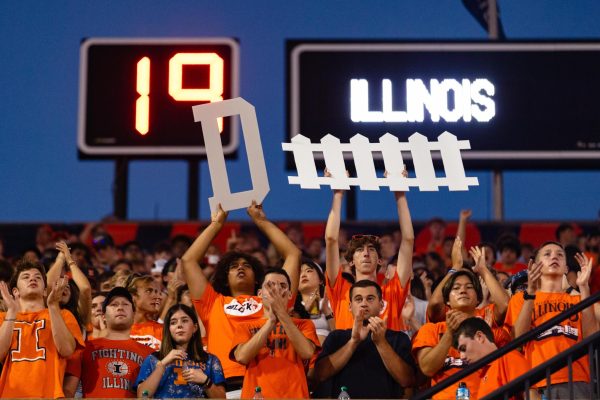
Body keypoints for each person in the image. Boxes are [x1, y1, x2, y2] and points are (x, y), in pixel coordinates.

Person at [182, 201, 301, 397]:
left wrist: (261, 221)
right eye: (234, 266)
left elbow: (293, 255)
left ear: (257, 279)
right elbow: (189, 261)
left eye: (247, 265)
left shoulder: (273, 298)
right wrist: (216, 225)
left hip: (267, 383)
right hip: (224, 386)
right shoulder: (213, 303)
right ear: (225, 279)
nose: (240, 268)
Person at [504, 241, 597, 399]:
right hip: (537, 381)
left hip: (577, 378)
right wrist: (531, 293)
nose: (554, 256)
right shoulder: (521, 298)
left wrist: (584, 288)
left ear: (566, 268)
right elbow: (518, 340)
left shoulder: (579, 298)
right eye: (547, 254)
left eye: (560, 255)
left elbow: (591, 338)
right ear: (536, 266)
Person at [325, 168, 413, 331]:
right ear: (350, 261)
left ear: (380, 260)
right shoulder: (340, 290)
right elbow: (331, 239)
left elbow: (408, 240)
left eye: (371, 249)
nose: (366, 253)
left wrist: (399, 194)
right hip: (350, 356)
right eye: (359, 250)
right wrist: (338, 194)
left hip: (385, 355)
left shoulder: (392, 291)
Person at [412, 268, 510, 400]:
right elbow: (427, 368)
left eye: (469, 287)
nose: (463, 291)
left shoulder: (491, 331)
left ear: (478, 300)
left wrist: (485, 338)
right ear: (447, 300)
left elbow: (505, 305)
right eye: (456, 288)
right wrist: (449, 334)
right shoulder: (430, 330)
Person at [314, 280, 415, 399]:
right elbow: (321, 374)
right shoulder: (336, 337)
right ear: (350, 306)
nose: (364, 304)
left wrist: (381, 342)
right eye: (358, 299)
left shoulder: (398, 338)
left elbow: (407, 380)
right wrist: (353, 342)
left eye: (370, 298)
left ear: (381, 305)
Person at [0, 260, 84, 398]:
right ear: (15, 291)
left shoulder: (63, 315)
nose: (32, 278)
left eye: (38, 277)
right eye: (26, 277)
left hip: (50, 395)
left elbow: (67, 349)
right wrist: (11, 312)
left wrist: (52, 306)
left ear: (45, 290)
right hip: (10, 395)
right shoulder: (3, 317)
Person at [231, 268, 319, 399]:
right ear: (260, 293)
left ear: (290, 294)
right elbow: (242, 357)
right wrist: (271, 322)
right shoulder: (245, 326)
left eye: (283, 286)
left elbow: (307, 352)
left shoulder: (304, 324)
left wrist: (281, 314)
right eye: (270, 285)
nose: (276, 290)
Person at [66, 286, 153, 398]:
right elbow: (68, 391)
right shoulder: (85, 348)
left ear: (133, 315)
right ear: (103, 316)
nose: (120, 307)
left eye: (125, 304)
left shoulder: (150, 354)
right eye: (114, 305)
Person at [135, 304, 226, 398]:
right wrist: (162, 365)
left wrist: (206, 381)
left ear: (195, 327)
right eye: (173, 322)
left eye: (185, 321)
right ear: (168, 329)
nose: (179, 325)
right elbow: (143, 396)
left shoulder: (210, 360)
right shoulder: (153, 359)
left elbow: (222, 398)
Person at [453, 317, 529, 399]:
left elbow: (531, 394)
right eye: (459, 352)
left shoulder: (508, 358)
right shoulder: (483, 376)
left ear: (479, 337)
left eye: (463, 348)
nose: (461, 357)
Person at [294, 257, 334, 344]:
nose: (303, 275)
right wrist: (304, 311)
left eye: (309, 271)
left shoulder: (330, 303)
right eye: (299, 273)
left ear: (320, 280)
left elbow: (340, 335)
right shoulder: (293, 308)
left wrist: (327, 312)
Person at [127, 274, 163, 350]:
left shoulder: (163, 330)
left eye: (157, 292)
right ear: (132, 296)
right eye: (149, 291)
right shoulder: (116, 330)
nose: (157, 297)